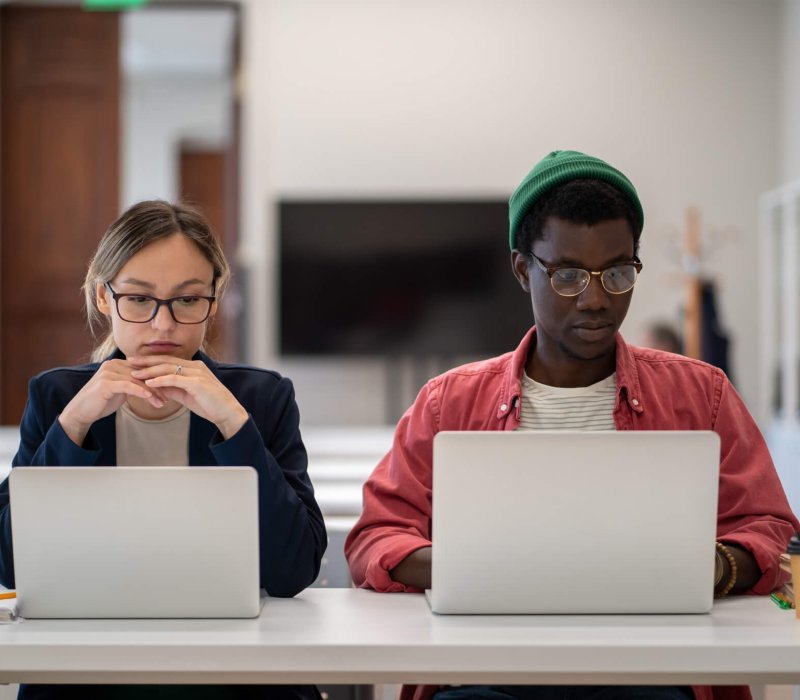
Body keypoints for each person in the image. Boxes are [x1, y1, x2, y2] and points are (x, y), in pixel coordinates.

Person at [344, 150, 799, 700]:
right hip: (488, 678)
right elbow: (374, 537)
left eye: (617, 272)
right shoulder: (448, 404)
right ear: (522, 269)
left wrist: (715, 568)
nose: (595, 299)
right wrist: (471, 569)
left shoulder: (701, 395)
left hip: (650, 676)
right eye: (566, 275)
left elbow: (768, 527)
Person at [0, 200, 327, 700]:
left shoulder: (261, 399)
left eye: (187, 300)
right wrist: (75, 424)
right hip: (87, 668)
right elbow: (8, 563)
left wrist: (232, 422)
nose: (163, 326)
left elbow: (294, 571)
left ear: (214, 300)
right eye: (138, 299)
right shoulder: (58, 397)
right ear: (103, 297)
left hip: (231, 665)